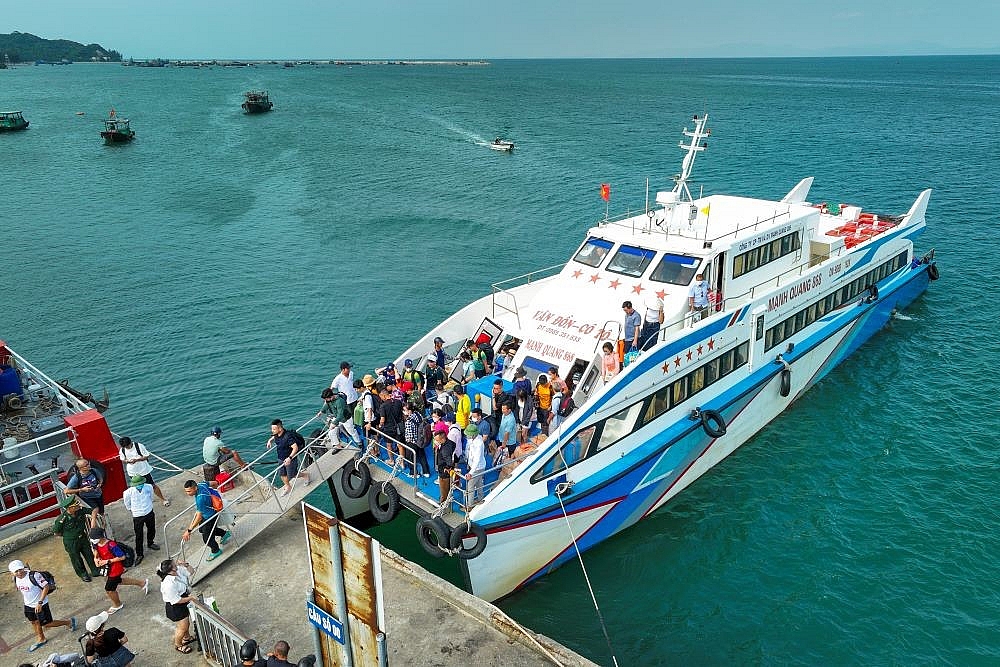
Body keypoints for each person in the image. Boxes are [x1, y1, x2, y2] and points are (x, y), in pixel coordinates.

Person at [9, 560, 76, 653]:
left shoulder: (34, 575)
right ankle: (41, 638)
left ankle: (68, 622)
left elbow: (46, 587)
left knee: (46, 623)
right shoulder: (15, 578)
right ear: (11, 573)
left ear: (23, 568)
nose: (19, 573)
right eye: (16, 571)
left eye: (20, 569)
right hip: (28, 604)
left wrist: (40, 602)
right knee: (34, 622)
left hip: (41, 603)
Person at [89, 527, 148, 613]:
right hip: (108, 568)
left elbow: (122, 557)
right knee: (119, 581)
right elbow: (95, 550)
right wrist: (96, 559)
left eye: (94, 538)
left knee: (109, 589)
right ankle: (142, 583)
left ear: (100, 537)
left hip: (115, 569)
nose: (93, 540)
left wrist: (107, 561)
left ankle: (117, 604)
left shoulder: (111, 545)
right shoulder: (97, 543)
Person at [53, 495, 101, 582]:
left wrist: (93, 520)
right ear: (70, 508)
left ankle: (95, 570)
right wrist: (69, 536)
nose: (78, 506)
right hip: (71, 542)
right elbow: (56, 532)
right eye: (76, 506)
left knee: (89, 554)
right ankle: (83, 574)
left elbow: (95, 509)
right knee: (76, 559)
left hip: (83, 537)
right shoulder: (62, 519)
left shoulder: (80, 511)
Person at [181, 479, 231, 561]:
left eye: (189, 491)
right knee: (201, 530)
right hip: (206, 512)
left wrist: (189, 530)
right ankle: (224, 534)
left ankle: (216, 551)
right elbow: (214, 483)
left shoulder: (200, 499)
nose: (187, 494)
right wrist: (217, 494)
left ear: (195, 488)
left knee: (207, 538)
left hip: (210, 516)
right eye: (186, 491)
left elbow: (199, 517)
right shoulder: (201, 484)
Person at [156, 559, 196, 654]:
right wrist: (191, 598)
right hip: (176, 606)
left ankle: (186, 638)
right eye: (174, 564)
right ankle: (178, 644)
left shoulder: (178, 570)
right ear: (172, 569)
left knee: (186, 624)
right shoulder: (168, 584)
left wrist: (185, 565)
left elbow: (191, 572)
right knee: (182, 628)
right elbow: (176, 600)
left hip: (183, 599)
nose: (177, 563)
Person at [117, 436, 169, 507]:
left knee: (152, 485)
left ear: (130, 442)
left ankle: (163, 499)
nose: (127, 448)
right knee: (138, 488)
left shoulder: (139, 446)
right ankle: (145, 501)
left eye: (128, 446)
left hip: (143, 470)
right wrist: (127, 461)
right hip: (132, 472)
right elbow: (122, 459)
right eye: (125, 447)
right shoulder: (122, 450)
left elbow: (147, 456)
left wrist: (137, 460)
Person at [121, 475, 159, 566]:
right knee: (139, 534)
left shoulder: (148, 487)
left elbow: (151, 497)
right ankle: (140, 554)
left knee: (151, 528)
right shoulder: (127, 492)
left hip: (149, 511)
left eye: (141, 484)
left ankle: (151, 542)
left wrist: (148, 506)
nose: (140, 485)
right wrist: (134, 510)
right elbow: (127, 504)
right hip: (137, 515)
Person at [266, 419, 310, 495]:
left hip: (290, 458)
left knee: (292, 475)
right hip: (280, 457)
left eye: (274, 429)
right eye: (272, 429)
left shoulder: (288, 437)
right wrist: (269, 441)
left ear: (280, 428)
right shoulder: (276, 434)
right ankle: (288, 486)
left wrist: (289, 458)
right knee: (282, 474)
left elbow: (295, 448)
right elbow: (274, 437)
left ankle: (305, 475)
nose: (272, 431)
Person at [65, 458, 104, 525]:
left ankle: (103, 525)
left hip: (98, 494)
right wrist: (82, 489)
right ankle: (93, 529)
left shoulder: (94, 471)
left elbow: (100, 478)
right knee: (95, 510)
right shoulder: (76, 477)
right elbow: (66, 491)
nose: (89, 465)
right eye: (86, 465)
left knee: (101, 512)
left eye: (88, 463)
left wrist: (100, 484)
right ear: (81, 468)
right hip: (87, 497)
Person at [463, 424, 486, 505]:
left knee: (470, 486)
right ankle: (480, 499)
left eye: (468, 435)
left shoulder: (479, 444)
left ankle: (470, 505)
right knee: (479, 483)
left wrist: (470, 473)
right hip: (475, 466)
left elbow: (477, 460)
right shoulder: (474, 438)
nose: (467, 437)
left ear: (473, 435)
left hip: (477, 468)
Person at [432, 430, 456, 505]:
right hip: (445, 469)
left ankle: (443, 503)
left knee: (444, 488)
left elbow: (449, 461)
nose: (435, 441)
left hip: (443, 471)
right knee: (447, 487)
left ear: (442, 439)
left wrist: (447, 467)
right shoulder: (450, 443)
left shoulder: (445, 450)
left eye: (437, 440)